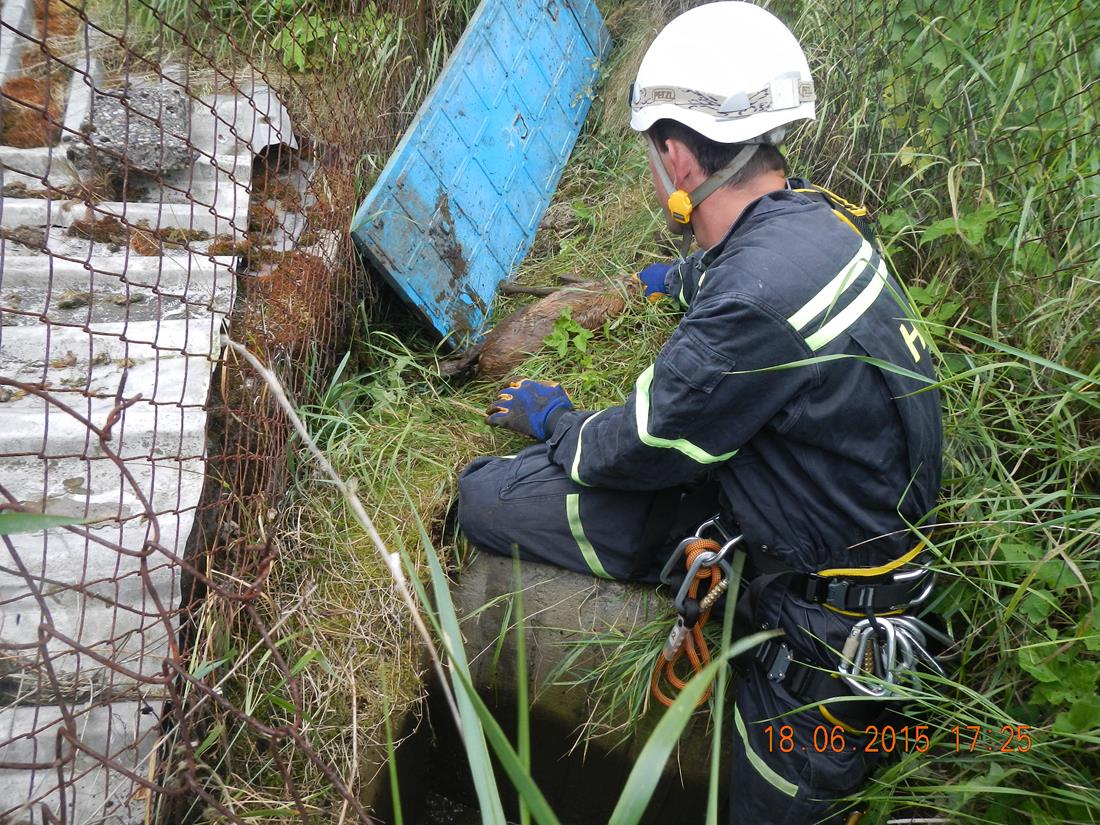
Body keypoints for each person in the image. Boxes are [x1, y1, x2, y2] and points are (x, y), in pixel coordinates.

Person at [457, 2, 943, 822]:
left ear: (677, 158)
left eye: (654, 152)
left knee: (485, 494)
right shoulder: (821, 226)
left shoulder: (750, 302)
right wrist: (662, 281)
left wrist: (557, 419)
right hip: (832, 530)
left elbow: (633, 441)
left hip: (819, 651)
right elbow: (741, 271)